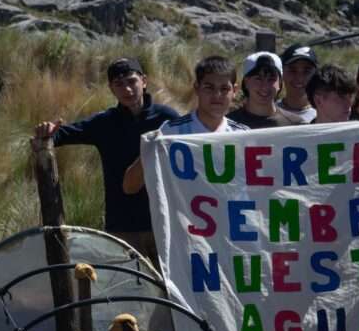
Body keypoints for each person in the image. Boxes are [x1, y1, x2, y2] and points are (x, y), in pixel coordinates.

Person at [32, 57, 179, 261]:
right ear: (111, 88)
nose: (127, 89)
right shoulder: (105, 123)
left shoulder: (167, 119)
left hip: (164, 222)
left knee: (170, 288)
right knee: (129, 288)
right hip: (122, 226)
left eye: (131, 81)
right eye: (119, 84)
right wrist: (47, 131)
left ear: (144, 81)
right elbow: (61, 135)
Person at [122, 55, 248, 199]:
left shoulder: (244, 135)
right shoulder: (171, 132)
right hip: (187, 221)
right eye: (209, 87)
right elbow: (129, 187)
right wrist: (149, 151)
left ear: (235, 90)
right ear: (197, 88)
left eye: (224, 88)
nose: (217, 95)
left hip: (232, 219)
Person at [228, 51, 294, 129]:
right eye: (258, 79)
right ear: (246, 82)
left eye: (271, 79)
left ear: (280, 83)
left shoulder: (295, 125)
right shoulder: (228, 125)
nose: (264, 86)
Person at [277, 44, 319, 124]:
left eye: (307, 71)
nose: (299, 78)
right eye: (292, 70)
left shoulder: (324, 114)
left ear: (316, 74)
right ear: (282, 72)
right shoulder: (269, 112)